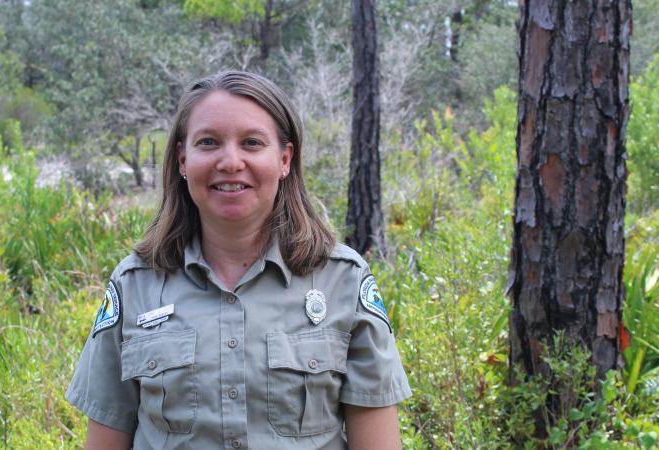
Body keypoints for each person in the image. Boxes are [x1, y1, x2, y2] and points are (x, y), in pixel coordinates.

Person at [66, 70, 411, 450]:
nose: (230, 162)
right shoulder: (136, 285)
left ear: (284, 159)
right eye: (209, 142)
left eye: (251, 143)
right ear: (183, 159)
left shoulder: (341, 281)